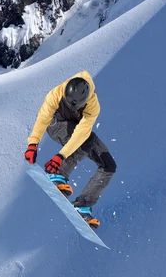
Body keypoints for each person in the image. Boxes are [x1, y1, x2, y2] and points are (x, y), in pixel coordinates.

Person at [24, 71, 116, 229]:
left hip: (78, 133)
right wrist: (33, 143)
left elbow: (81, 134)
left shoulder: (93, 106)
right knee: (81, 142)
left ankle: (83, 205)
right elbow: (43, 118)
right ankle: (57, 173)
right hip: (55, 124)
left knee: (108, 165)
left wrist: (60, 156)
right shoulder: (56, 94)